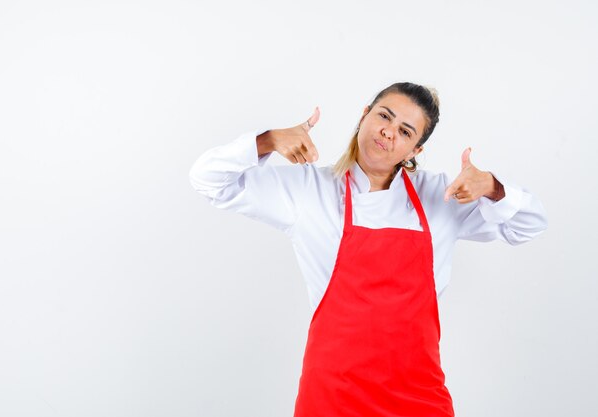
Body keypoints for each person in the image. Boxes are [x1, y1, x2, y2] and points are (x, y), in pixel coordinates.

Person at [188, 82, 548, 416]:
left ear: (416, 150)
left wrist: (492, 187)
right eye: (384, 116)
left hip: (418, 395)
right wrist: (266, 141)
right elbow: (209, 181)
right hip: (331, 395)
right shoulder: (309, 189)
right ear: (364, 115)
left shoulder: (442, 196)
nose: (389, 132)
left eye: (406, 132)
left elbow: (528, 226)